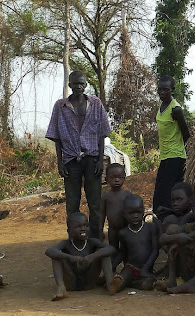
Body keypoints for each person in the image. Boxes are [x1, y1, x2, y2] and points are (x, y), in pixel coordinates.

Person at [46, 70, 111, 239]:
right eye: (75, 84)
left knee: (95, 201)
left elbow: (102, 133)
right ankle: (74, 239)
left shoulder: (95, 103)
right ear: (70, 85)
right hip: (70, 160)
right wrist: (60, 163)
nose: (79, 87)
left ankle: (95, 237)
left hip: (92, 158)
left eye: (82, 84)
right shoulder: (60, 106)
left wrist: (100, 160)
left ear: (86, 85)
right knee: (72, 203)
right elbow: (56, 136)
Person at [45, 212, 116, 301]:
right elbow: (49, 251)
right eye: (78, 227)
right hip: (71, 283)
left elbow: (111, 249)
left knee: (104, 253)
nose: (83, 229)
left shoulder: (92, 242)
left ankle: (110, 284)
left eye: (86, 226)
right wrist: (70, 257)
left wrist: (93, 256)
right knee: (56, 256)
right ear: (69, 231)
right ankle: (61, 288)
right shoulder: (66, 244)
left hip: (90, 282)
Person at [153, 75, 191, 214]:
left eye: (165, 90)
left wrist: (190, 153)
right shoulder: (161, 106)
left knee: (168, 195)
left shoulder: (176, 110)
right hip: (165, 156)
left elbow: (186, 133)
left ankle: (172, 223)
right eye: (159, 89)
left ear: (172, 90)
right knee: (159, 194)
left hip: (176, 156)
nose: (162, 93)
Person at [107, 194, 159, 293]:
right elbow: (122, 253)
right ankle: (117, 284)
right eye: (131, 213)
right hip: (131, 267)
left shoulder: (150, 228)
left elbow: (155, 251)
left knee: (148, 283)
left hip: (147, 268)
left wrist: (145, 268)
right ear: (124, 214)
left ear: (143, 211)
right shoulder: (123, 233)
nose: (135, 216)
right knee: (125, 275)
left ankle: (129, 284)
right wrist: (113, 266)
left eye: (138, 212)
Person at [99, 163, 132, 266]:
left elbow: (133, 211)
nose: (116, 180)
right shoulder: (106, 196)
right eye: (113, 177)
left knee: (126, 250)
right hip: (112, 230)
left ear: (124, 177)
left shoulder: (127, 195)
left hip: (126, 228)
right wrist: (100, 230)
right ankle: (112, 270)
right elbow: (102, 214)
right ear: (107, 179)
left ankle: (128, 269)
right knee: (113, 250)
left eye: (119, 177)